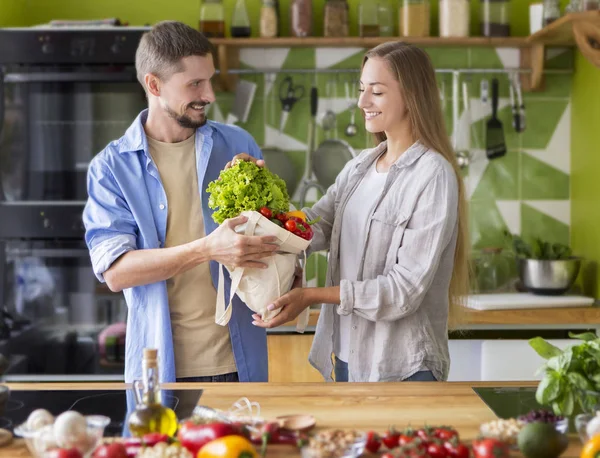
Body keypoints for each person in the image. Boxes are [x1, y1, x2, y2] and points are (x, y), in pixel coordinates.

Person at [252, 41, 470, 383]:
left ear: (412, 95)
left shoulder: (433, 175)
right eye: (361, 89)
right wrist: (256, 187)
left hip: (404, 368)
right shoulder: (360, 168)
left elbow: (404, 291)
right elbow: (313, 227)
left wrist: (311, 296)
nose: (362, 102)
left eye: (377, 92)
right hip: (348, 360)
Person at [83, 21, 279, 384]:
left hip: (240, 363)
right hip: (161, 372)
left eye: (209, 80)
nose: (209, 95)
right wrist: (207, 249)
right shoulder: (111, 168)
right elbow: (116, 271)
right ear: (154, 84)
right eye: (194, 84)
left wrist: (287, 271)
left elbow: (271, 243)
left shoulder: (238, 145)